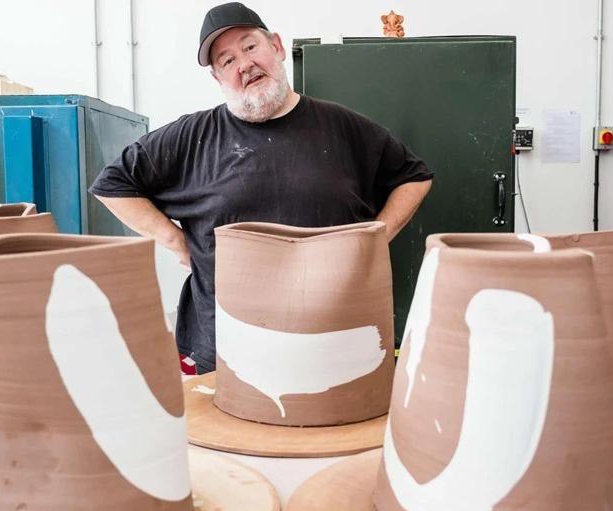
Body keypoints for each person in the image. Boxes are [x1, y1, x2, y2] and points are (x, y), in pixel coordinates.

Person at [89, 2, 434, 375]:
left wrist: (376, 239)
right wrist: (174, 240)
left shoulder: (343, 126)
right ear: (218, 79)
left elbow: (414, 176)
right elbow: (112, 183)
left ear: (277, 47)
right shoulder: (192, 137)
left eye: (250, 47)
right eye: (226, 60)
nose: (244, 65)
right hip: (225, 352)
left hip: (334, 346)